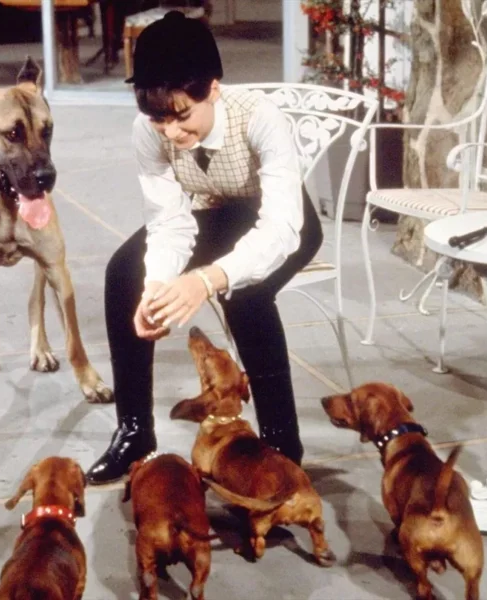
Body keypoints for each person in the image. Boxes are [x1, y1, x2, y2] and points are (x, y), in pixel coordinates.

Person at [86, 10, 323, 485]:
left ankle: (282, 445)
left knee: (246, 294)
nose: (170, 131)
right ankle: (135, 431)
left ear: (212, 89)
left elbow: (281, 226)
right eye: (158, 118)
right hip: (216, 214)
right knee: (124, 272)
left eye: (181, 116)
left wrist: (206, 280)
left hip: (281, 223)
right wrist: (156, 288)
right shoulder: (148, 131)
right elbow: (169, 221)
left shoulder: (260, 117)